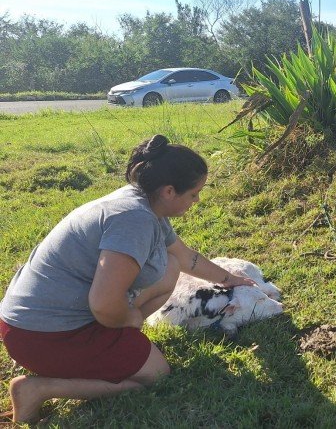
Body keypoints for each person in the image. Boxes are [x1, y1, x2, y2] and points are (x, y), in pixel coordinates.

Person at [0, 134, 255, 423]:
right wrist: (130, 318)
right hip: (42, 336)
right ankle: (38, 388)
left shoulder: (143, 202)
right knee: (156, 374)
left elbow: (183, 257)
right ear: (170, 191)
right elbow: (104, 304)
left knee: (169, 267)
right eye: (194, 193)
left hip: (33, 321)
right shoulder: (134, 220)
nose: (197, 200)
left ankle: (116, 345)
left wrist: (228, 278)